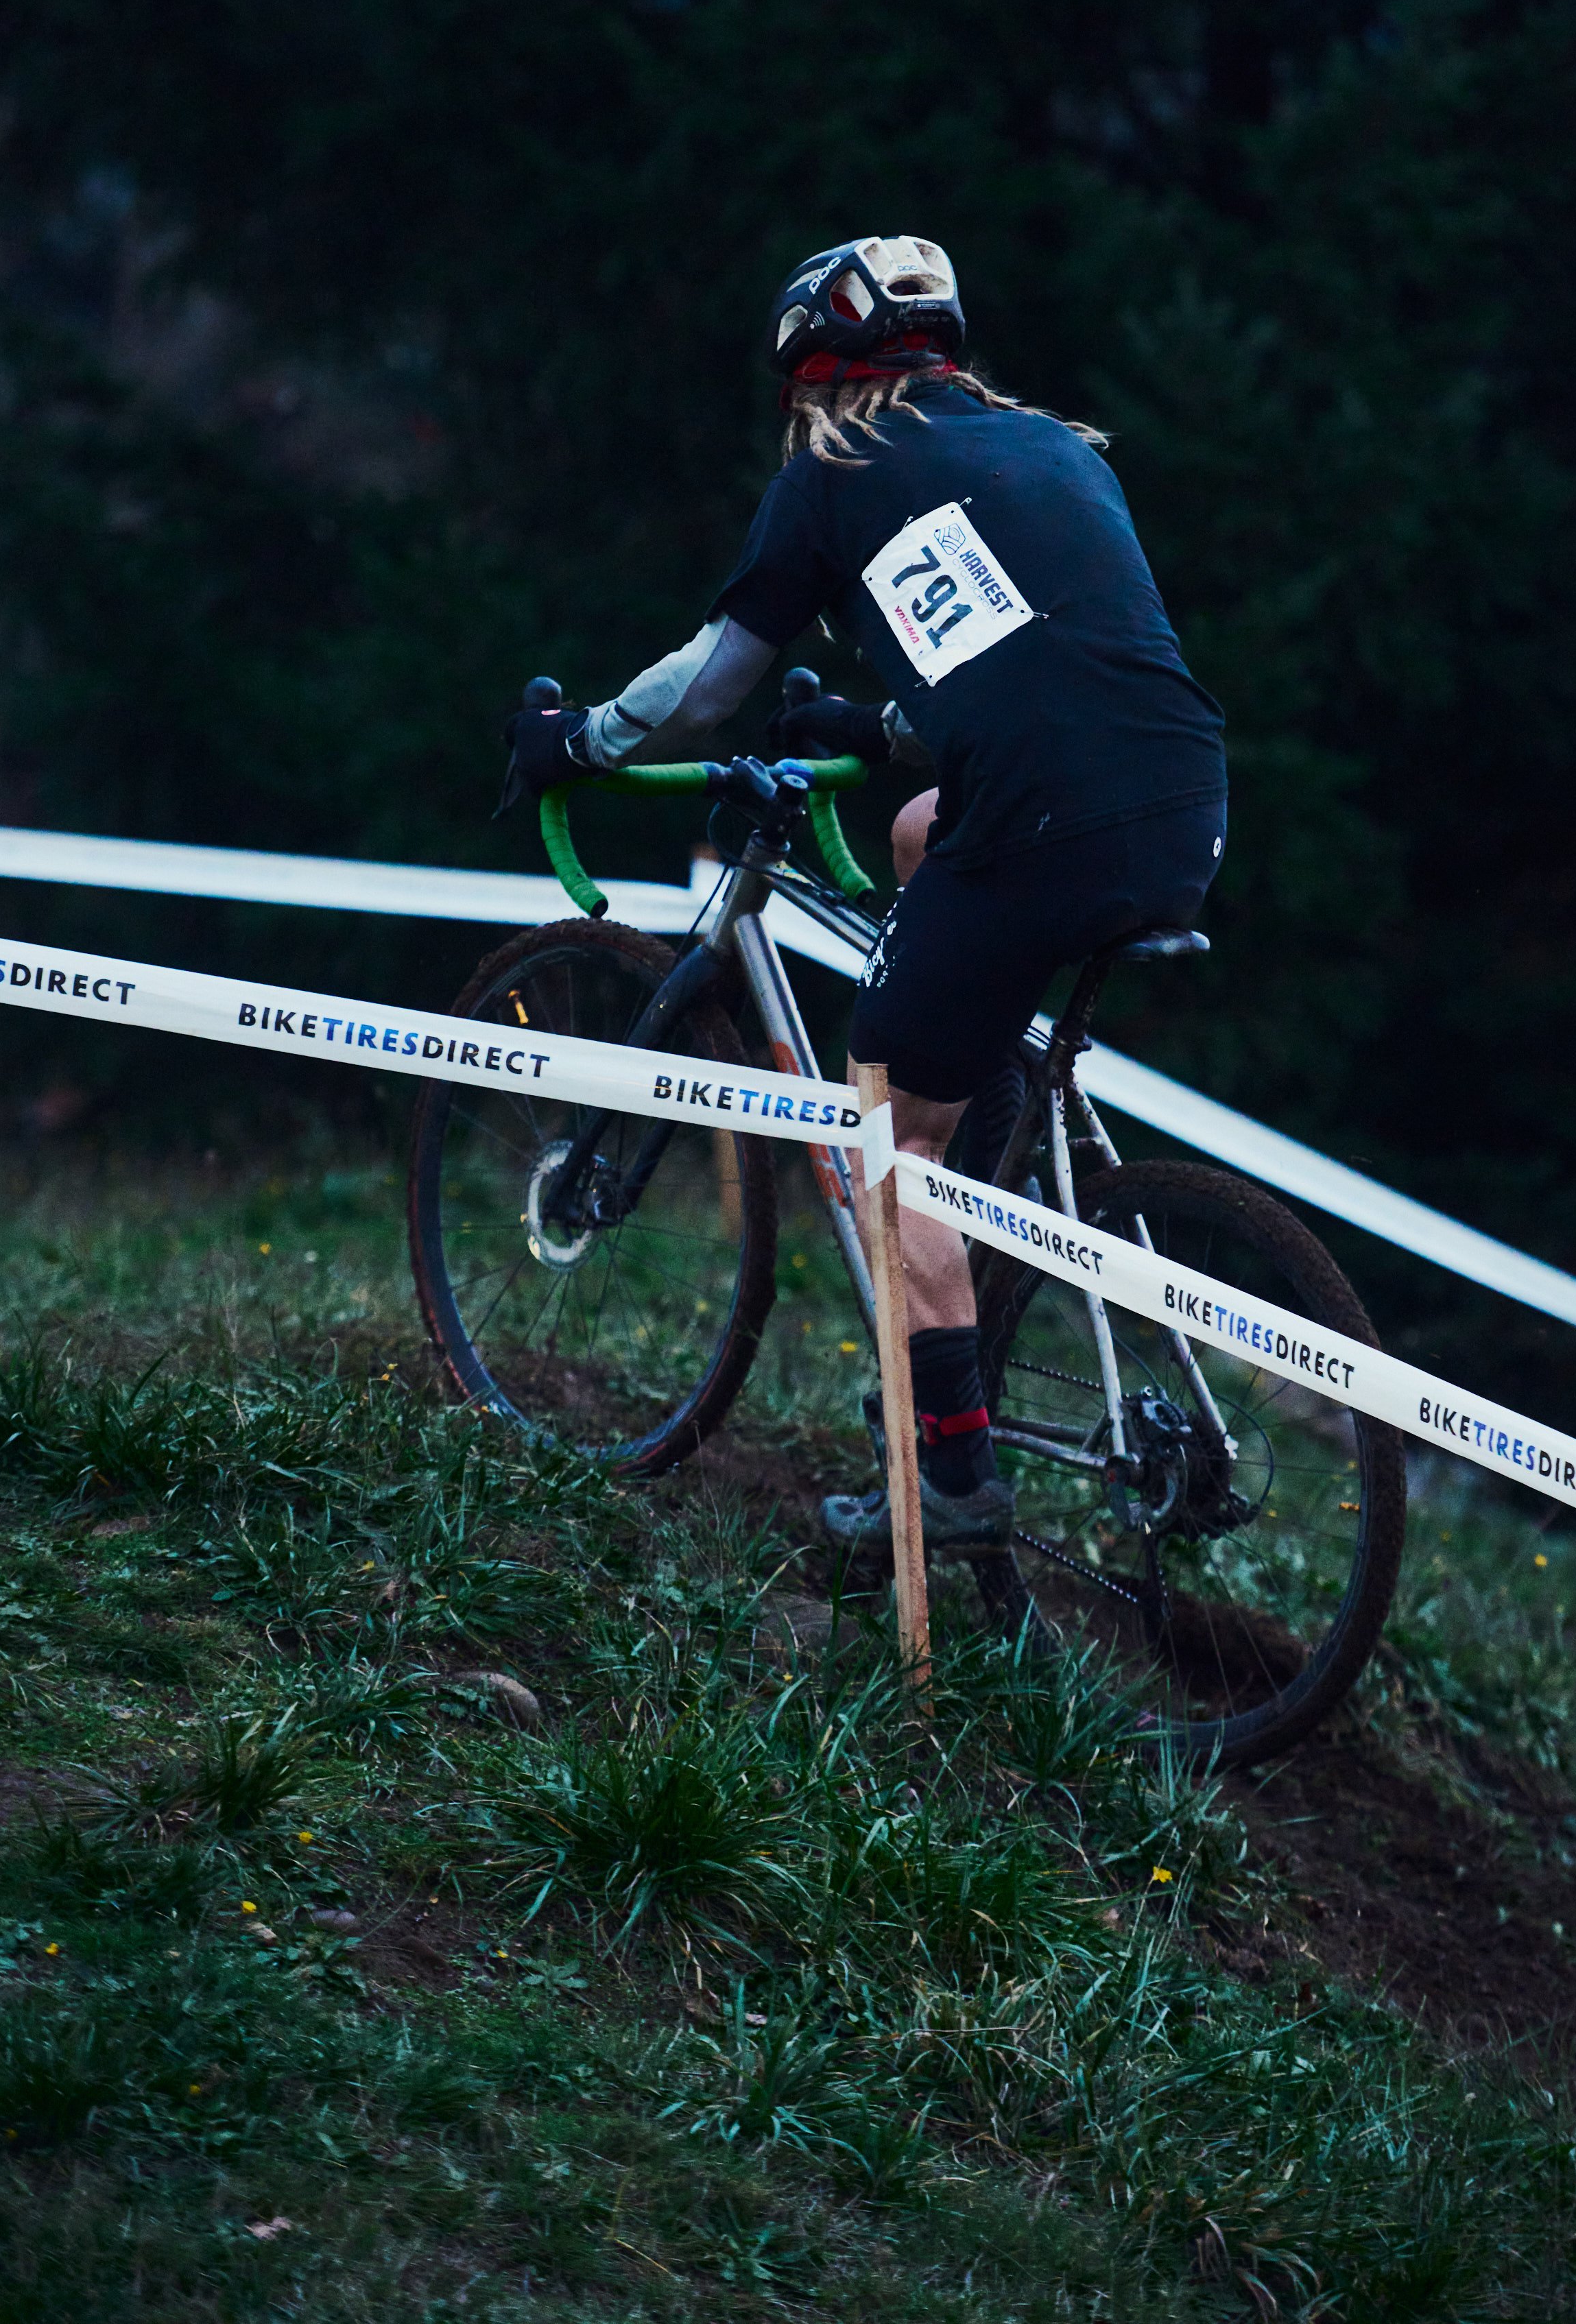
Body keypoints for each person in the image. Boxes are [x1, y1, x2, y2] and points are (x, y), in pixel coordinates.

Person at [501, 233, 1228, 1554]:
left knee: (889, 1137)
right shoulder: (1051, 447)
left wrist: (584, 741)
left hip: (1042, 823)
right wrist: (883, 724)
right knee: (911, 833)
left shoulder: (832, 471)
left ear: (814, 374)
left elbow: (713, 685)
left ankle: (951, 1479)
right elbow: (1042, 659)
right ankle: (993, 1112)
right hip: (1184, 799)